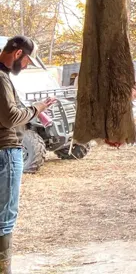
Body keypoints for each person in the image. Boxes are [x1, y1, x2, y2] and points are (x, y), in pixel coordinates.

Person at [0, 36, 57, 273]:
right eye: (27, 61)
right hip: (6, 150)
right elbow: (10, 118)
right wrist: (37, 108)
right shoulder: (1, 78)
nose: (25, 66)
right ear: (18, 53)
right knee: (5, 218)